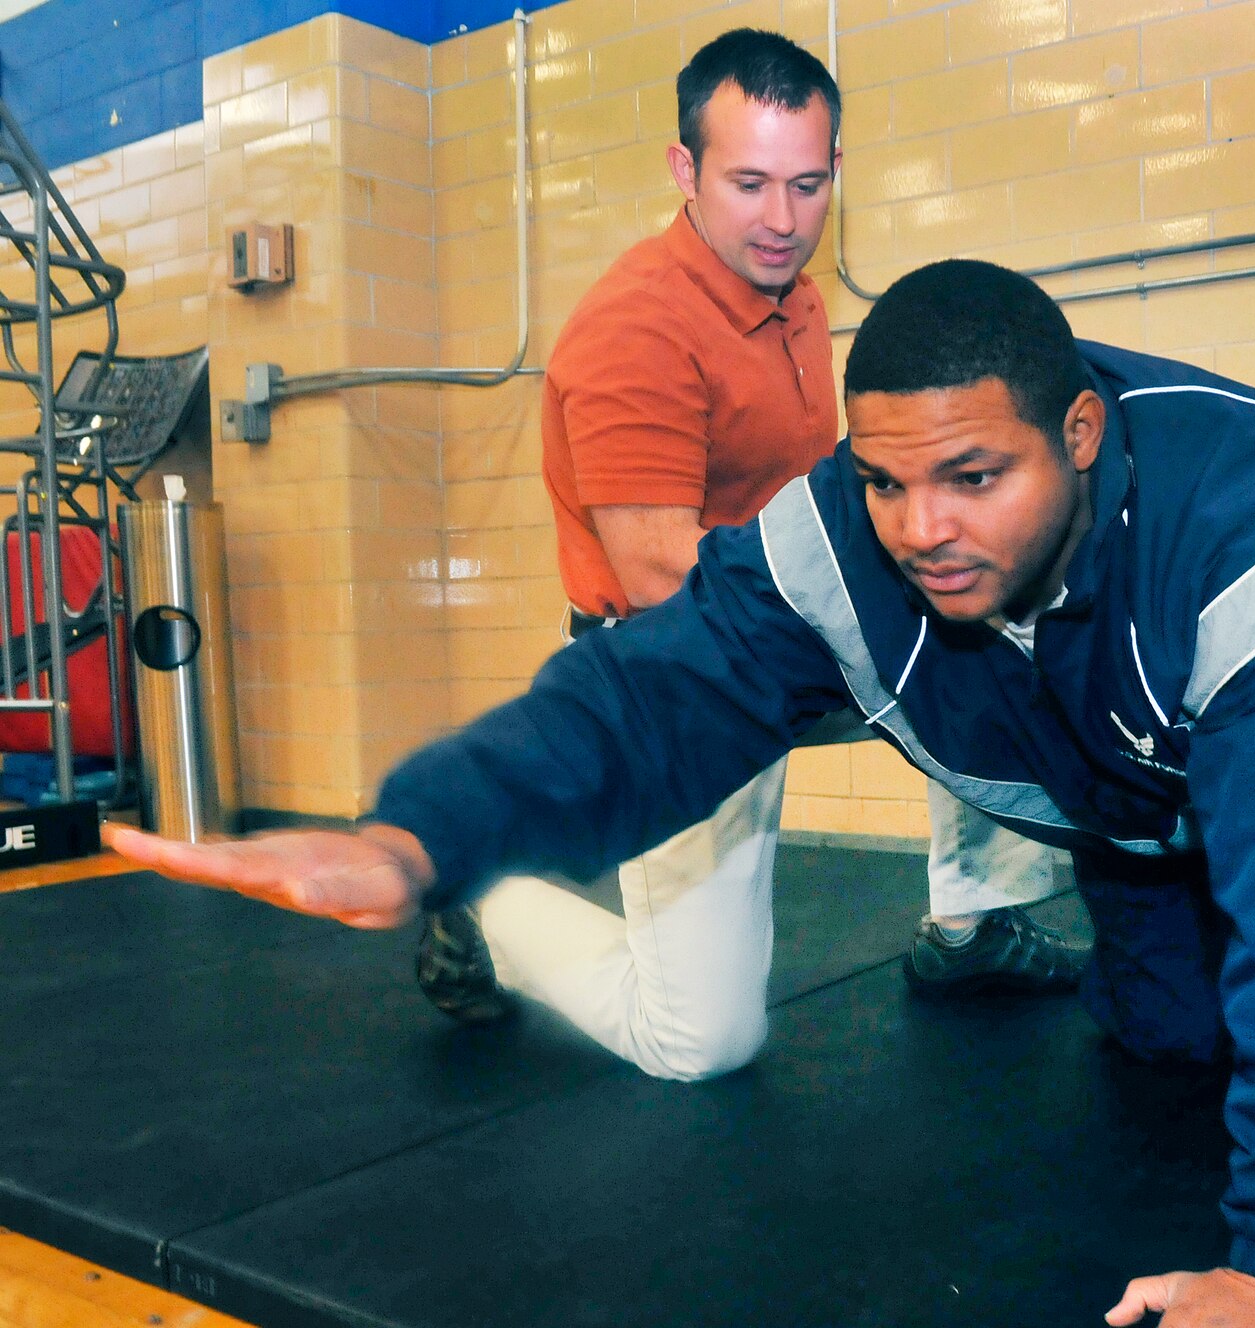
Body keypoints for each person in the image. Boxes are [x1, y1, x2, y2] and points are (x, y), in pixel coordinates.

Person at [113, 260, 1255, 1327]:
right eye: (887, 482)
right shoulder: (835, 541)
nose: (922, 531)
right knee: (1170, 1044)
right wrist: (421, 833)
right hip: (1134, 800)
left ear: (1078, 435)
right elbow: (650, 699)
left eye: (970, 478)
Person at [414, 30, 1082, 1081]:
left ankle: (969, 927)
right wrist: (869, 611)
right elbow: (659, 578)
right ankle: (484, 895)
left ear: (835, 176)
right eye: (749, 183)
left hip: (787, 629)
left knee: (1000, 621)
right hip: (684, 660)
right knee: (700, 1042)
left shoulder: (790, 291)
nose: (782, 220)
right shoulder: (635, 332)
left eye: (807, 184)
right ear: (684, 171)